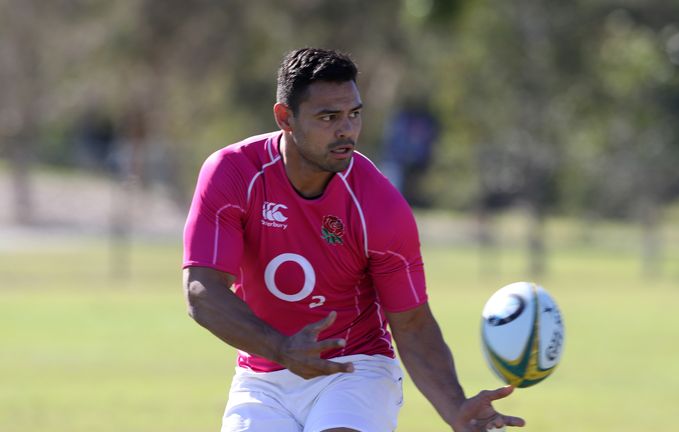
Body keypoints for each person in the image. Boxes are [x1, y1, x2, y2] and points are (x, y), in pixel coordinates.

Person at [182, 47, 525, 432]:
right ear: (285, 118)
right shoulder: (234, 173)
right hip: (262, 379)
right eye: (328, 117)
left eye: (354, 114)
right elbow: (202, 291)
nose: (346, 130)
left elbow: (411, 323)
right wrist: (280, 348)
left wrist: (453, 407)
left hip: (354, 368)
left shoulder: (379, 206)